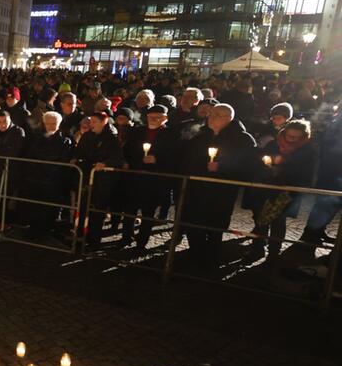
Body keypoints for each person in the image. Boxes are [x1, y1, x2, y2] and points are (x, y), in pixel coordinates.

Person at [180, 103, 257, 267]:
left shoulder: (242, 139)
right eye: (211, 114)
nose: (211, 117)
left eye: (217, 115)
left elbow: (248, 165)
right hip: (197, 189)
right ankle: (194, 255)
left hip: (222, 191)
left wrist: (222, 167)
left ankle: (211, 258)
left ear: (229, 118)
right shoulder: (201, 135)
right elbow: (188, 158)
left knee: (215, 225)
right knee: (194, 223)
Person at [246, 119, 316, 259]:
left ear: (303, 136)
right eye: (289, 136)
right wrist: (268, 170)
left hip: (286, 193)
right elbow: (260, 162)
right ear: (284, 133)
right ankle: (257, 248)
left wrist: (283, 171)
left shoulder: (308, 150)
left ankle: (273, 253)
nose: (291, 140)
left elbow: (306, 174)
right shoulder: (274, 144)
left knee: (278, 222)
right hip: (266, 188)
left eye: (296, 137)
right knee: (261, 220)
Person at [121, 105, 180, 248]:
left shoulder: (171, 135)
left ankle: (142, 241)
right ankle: (126, 237)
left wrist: (157, 160)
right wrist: (130, 162)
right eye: (150, 117)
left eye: (157, 117)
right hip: (135, 176)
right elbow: (128, 151)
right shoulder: (138, 132)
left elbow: (175, 156)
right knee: (129, 210)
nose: (153, 120)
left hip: (155, 179)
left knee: (148, 212)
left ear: (165, 118)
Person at [74, 112, 125, 249]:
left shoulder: (112, 139)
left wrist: (105, 163)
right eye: (91, 122)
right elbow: (79, 154)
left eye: (95, 122)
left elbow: (118, 160)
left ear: (104, 122)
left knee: (97, 211)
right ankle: (79, 237)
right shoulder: (87, 136)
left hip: (103, 181)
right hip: (86, 177)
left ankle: (94, 241)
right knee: (83, 208)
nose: (91, 125)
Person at [21, 111, 73, 241]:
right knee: (34, 206)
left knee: (49, 208)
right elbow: (30, 157)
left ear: (59, 124)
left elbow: (63, 161)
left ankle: (46, 231)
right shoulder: (37, 139)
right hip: (36, 178)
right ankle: (33, 229)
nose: (50, 126)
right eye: (48, 123)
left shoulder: (65, 141)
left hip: (53, 180)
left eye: (53, 123)